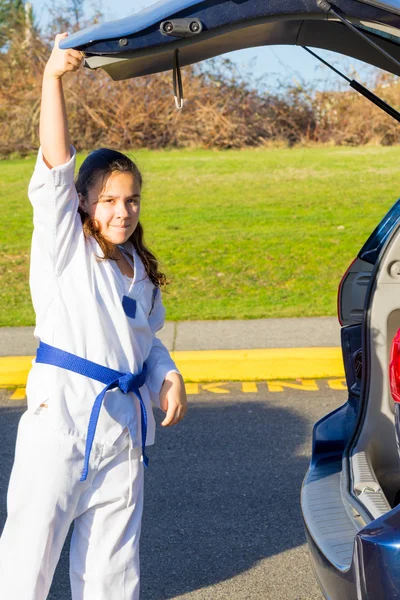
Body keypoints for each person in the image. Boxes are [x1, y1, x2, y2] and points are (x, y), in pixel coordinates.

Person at [0, 32, 187, 600]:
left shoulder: (138, 267)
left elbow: (145, 342)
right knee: (28, 561)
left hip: (124, 432)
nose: (121, 211)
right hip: (62, 424)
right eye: (107, 199)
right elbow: (56, 164)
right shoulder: (65, 249)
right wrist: (52, 80)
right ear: (83, 202)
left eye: (130, 200)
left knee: (112, 571)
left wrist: (166, 374)